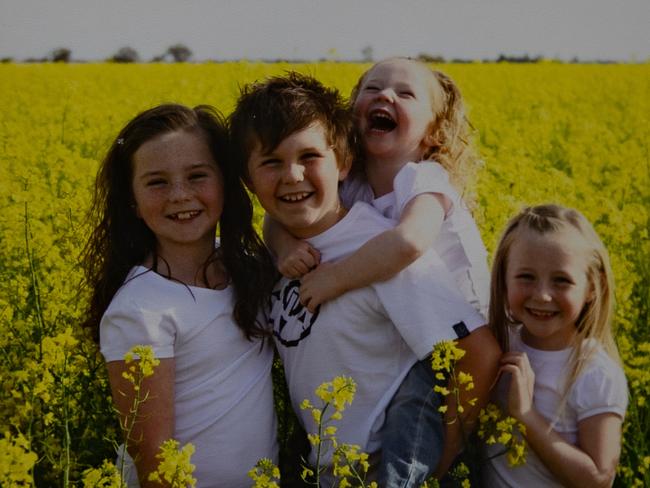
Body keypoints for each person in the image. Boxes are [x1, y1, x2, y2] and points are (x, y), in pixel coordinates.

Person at [229, 72, 501, 487]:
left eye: (309, 157)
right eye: (271, 162)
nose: (293, 176)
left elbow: (479, 353)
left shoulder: (382, 254)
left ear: (343, 162)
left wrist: (433, 465)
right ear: (248, 181)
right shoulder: (273, 256)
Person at [81, 104, 278, 487]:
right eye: (157, 182)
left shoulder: (245, 267)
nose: (180, 195)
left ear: (225, 183)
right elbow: (154, 462)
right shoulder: (140, 309)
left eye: (197, 176)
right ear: (132, 203)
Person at [267, 57, 490, 319]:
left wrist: (337, 278)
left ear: (434, 133)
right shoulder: (352, 180)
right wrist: (284, 247)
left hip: (465, 325)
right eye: (372, 89)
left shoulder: (426, 179)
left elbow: (409, 241)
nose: (385, 95)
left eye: (405, 93)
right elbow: (279, 213)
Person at [485, 204, 628, 487]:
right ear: (503, 276)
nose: (542, 295)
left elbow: (598, 479)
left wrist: (526, 416)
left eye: (561, 281)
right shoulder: (494, 344)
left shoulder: (593, 372)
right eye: (526, 277)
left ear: (591, 288)